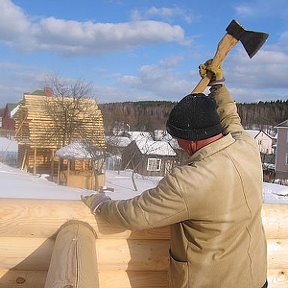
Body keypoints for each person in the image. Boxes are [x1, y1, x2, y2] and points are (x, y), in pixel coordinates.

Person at [82, 60, 268, 288]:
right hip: (256, 279)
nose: (177, 144)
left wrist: (101, 205)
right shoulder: (246, 146)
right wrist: (218, 85)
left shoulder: (189, 181)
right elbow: (231, 118)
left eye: (178, 138)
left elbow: (135, 214)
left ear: (191, 140)